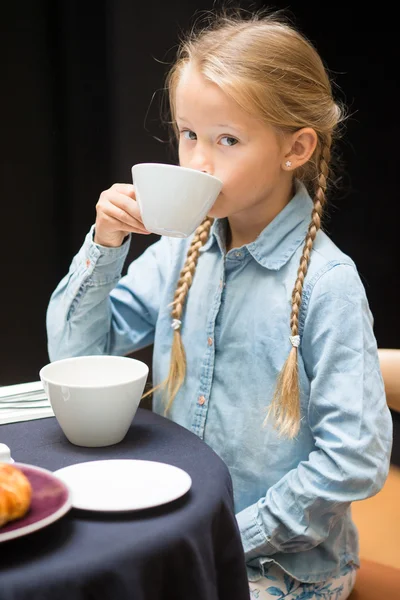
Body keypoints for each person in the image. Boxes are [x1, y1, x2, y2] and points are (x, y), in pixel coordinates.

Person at [46, 8, 393, 600]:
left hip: (281, 568)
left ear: (296, 148)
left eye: (227, 140)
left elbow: (352, 462)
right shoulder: (184, 249)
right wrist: (106, 245)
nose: (199, 162)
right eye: (189, 135)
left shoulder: (327, 283)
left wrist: (225, 536)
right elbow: (78, 357)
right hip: (185, 538)